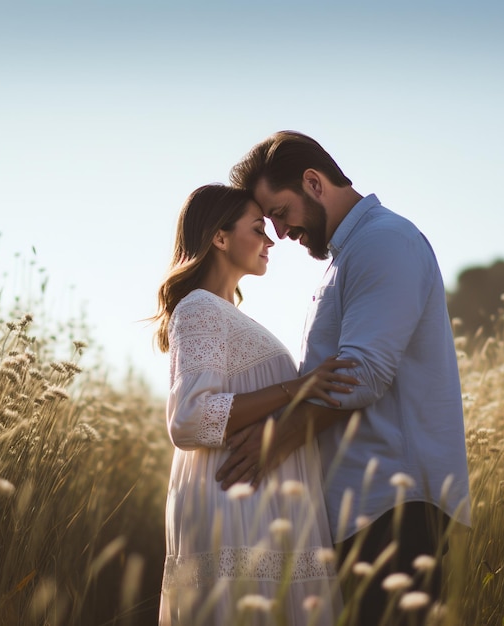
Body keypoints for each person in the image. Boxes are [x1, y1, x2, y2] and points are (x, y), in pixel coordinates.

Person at [218, 131, 471, 625]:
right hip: (363, 510)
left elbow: (361, 375)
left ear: (313, 182)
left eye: (281, 213)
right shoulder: (350, 253)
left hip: (395, 510)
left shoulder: (384, 242)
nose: (281, 232)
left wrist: (276, 439)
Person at [153, 184, 359, 625]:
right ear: (220, 238)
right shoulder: (200, 310)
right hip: (237, 510)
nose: (271, 241)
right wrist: (296, 389)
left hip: (258, 508)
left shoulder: (224, 314)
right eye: (257, 228)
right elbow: (189, 418)